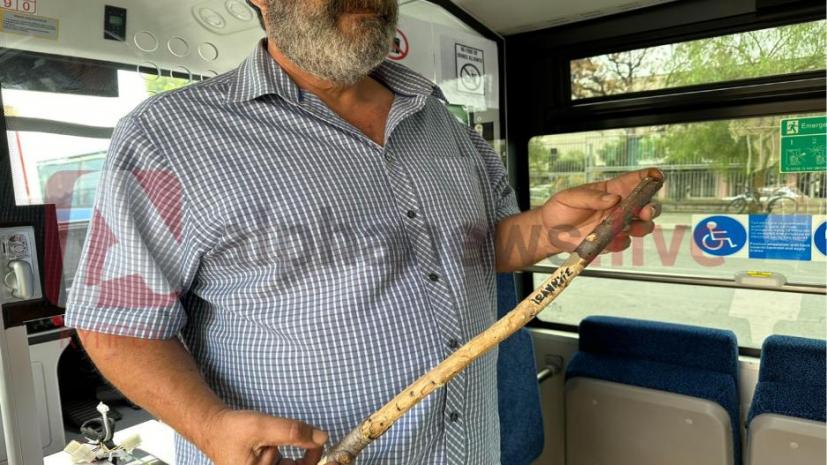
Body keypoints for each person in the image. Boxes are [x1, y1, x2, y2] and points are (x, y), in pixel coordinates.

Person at [65, 0, 661, 464]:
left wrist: (546, 232)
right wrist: (209, 426)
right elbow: (115, 324)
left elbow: (480, 250)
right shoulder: (169, 135)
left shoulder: (443, 123)